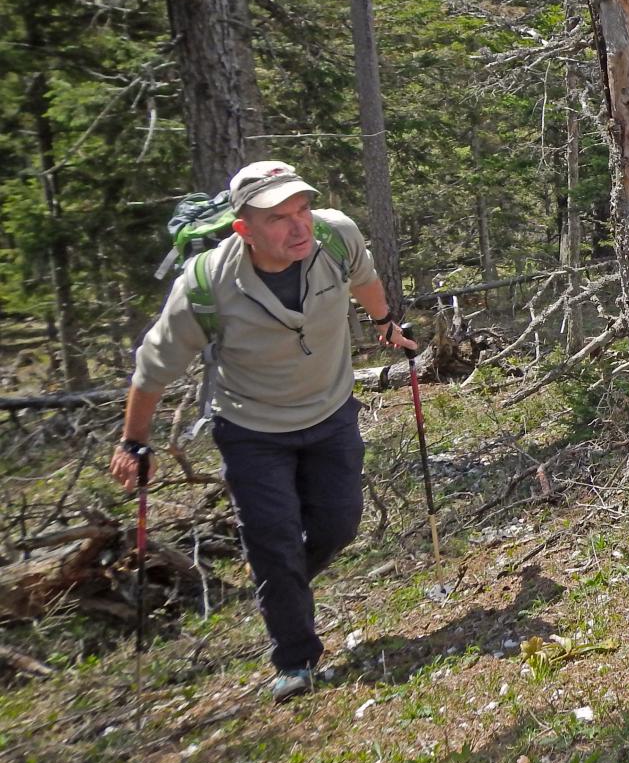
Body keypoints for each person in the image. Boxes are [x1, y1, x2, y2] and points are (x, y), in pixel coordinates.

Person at [110, 160, 416, 703]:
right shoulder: (205, 283)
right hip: (251, 428)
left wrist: (384, 323)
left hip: (330, 412)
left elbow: (364, 279)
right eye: (278, 218)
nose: (299, 227)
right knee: (274, 541)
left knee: (339, 524)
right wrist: (134, 441)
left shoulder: (336, 237)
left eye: (301, 210)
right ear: (244, 229)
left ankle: (282, 582)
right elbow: (151, 370)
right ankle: (295, 658)